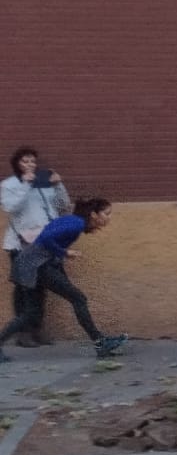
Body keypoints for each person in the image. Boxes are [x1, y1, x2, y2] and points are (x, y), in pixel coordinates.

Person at [0, 197, 128, 361]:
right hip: (36, 265)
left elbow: (47, 236)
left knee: (31, 313)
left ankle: (100, 342)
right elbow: (46, 238)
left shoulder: (73, 221)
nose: (109, 218)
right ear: (94, 214)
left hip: (30, 264)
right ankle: (100, 342)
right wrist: (65, 253)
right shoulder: (76, 224)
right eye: (107, 213)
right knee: (78, 298)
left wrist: (60, 264)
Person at [2, 147, 69, 348]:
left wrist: (58, 185)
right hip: (21, 245)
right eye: (25, 161)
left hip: (45, 242)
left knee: (41, 288)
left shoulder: (44, 182)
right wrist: (26, 184)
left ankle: (36, 329)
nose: (30, 165)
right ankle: (22, 334)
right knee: (24, 288)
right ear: (17, 164)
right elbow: (10, 207)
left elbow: (62, 204)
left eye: (32, 161)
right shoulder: (9, 185)